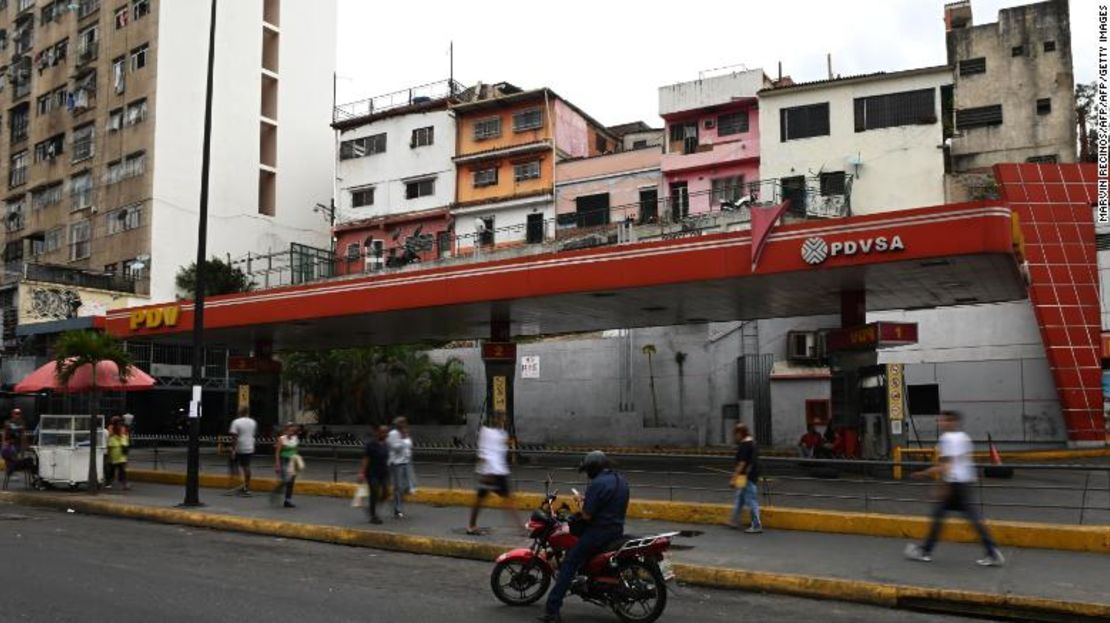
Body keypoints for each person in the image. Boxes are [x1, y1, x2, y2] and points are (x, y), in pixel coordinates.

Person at [904, 411, 1004, 567]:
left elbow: (946, 466)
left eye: (943, 421)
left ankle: (925, 551)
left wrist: (926, 476)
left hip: (954, 485)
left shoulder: (947, 439)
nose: (940, 423)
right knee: (970, 520)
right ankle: (992, 552)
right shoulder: (964, 438)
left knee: (941, 518)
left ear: (951, 422)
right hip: (965, 483)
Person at [540, 451, 630, 623]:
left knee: (569, 563)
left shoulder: (597, 483)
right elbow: (608, 504)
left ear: (594, 468)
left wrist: (577, 512)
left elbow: (587, 516)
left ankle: (552, 610)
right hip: (616, 529)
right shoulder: (621, 480)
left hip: (599, 532)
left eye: (588, 470)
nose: (587, 474)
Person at [467, 413, 522, 535]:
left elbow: (500, 450)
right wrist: (485, 472)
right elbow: (483, 452)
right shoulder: (486, 432)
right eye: (501, 418)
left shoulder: (502, 433)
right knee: (481, 500)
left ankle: (520, 528)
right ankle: (471, 526)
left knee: (506, 499)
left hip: (500, 471)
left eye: (504, 419)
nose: (503, 421)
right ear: (495, 419)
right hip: (490, 472)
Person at [728, 423, 763, 533]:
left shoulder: (745, 445)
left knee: (750, 500)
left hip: (745, 476)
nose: (735, 437)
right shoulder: (752, 442)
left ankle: (756, 525)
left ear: (740, 433)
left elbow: (742, 463)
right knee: (740, 497)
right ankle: (733, 520)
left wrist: (734, 478)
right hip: (748, 475)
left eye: (736, 434)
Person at [359, 425, 391, 524]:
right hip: (372, 473)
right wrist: (361, 473)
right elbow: (366, 459)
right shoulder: (371, 445)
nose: (385, 434)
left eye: (386, 432)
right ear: (377, 433)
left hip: (384, 473)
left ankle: (372, 508)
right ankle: (373, 516)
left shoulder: (386, 444)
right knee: (374, 493)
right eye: (383, 432)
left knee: (386, 493)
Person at [386, 417, 415, 518]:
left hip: (406, 462)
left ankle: (395, 501)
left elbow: (409, 445)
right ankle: (397, 509)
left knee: (408, 486)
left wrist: (404, 437)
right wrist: (402, 438)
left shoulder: (405, 432)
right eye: (401, 423)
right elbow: (395, 447)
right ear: (397, 424)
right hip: (396, 463)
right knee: (398, 487)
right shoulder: (393, 434)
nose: (404, 424)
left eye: (404, 423)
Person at [228, 407, 258, 495]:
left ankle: (236, 482)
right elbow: (253, 433)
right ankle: (246, 486)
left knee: (233, 462)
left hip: (239, 446)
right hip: (249, 446)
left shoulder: (236, 422)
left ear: (239, 412)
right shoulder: (253, 422)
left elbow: (234, 437)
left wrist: (233, 449)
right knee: (246, 466)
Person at [272, 422, 301, 508]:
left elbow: (296, 450)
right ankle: (277, 490)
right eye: (289, 431)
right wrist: (277, 464)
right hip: (284, 460)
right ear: (286, 430)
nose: (291, 433)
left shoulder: (295, 439)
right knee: (286, 480)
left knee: (291, 481)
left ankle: (288, 500)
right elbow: (277, 453)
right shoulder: (281, 439)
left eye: (293, 431)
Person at [2, 408, 31, 490]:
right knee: (10, 454)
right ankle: (11, 471)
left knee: (20, 457)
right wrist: (4, 442)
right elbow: (4, 433)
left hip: (17, 443)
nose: (17, 415)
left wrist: (25, 446)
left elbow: (23, 435)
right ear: (12, 414)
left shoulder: (22, 423)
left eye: (19, 414)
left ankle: (12, 470)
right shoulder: (8, 422)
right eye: (16, 414)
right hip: (10, 444)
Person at [105, 417, 130, 490]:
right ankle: (111, 482)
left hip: (119, 451)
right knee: (116, 469)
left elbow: (124, 438)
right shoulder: (113, 429)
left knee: (120, 469)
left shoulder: (118, 429)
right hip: (117, 451)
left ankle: (122, 483)